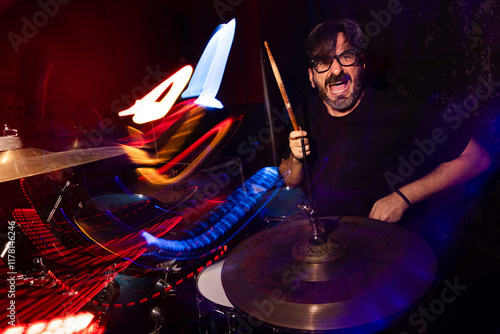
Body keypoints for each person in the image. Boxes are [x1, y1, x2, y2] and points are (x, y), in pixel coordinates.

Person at [279, 19, 491, 223]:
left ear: (361, 63)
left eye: (345, 57)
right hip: (324, 239)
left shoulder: (398, 111)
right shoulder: (305, 111)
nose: (336, 70)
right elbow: (290, 180)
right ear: (311, 77)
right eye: (324, 61)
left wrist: (404, 197)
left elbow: (477, 158)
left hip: (379, 245)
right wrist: (296, 160)